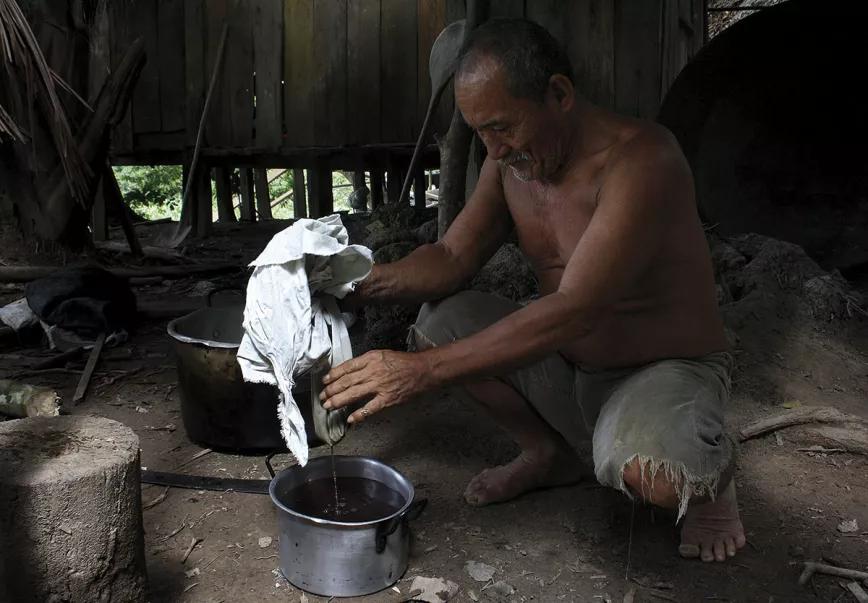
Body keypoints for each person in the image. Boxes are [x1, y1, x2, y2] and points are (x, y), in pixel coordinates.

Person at [319, 18, 745, 563]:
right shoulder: (511, 167)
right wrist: (354, 283)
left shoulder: (643, 159)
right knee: (440, 320)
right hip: (570, 366)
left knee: (656, 480)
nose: (493, 152)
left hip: (660, 371)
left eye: (502, 127)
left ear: (559, 94)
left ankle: (713, 473)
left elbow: (574, 309)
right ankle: (549, 453)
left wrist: (419, 373)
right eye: (480, 133)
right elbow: (451, 259)